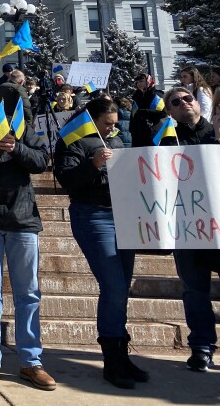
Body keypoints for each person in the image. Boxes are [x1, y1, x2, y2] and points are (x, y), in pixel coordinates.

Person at [54, 98, 148, 389]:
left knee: (122, 287)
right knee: (114, 286)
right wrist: (93, 165)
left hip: (123, 215)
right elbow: (67, 179)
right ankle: (112, 360)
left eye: (115, 123)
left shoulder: (117, 141)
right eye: (107, 123)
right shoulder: (72, 140)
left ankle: (122, 353)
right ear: (92, 119)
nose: (113, 128)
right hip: (93, 216)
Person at [0, 86, 56, 391]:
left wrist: (15, 147)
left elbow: (42, 161)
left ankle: (31, 361)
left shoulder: (20, 127)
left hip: (22, 219)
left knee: (28, 293)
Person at [161, 86, 220, 371]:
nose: (184, 104)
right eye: (176, 102)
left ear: (198, 102)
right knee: (194, 290)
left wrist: (218, 140)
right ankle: (202, 347)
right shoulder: (166, 139)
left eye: (187, 98)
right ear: (170, 111)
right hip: (187, 226)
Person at [129, 73, 166, 148]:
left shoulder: (157, 94)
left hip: (153, 131)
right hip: (138, 133)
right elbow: (133, 114)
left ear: (148, 81)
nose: (139, 84)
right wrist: (132, 129)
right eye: (137, 82)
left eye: (141, 81)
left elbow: (163, 113)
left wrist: (143, 112)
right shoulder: (136, 96)